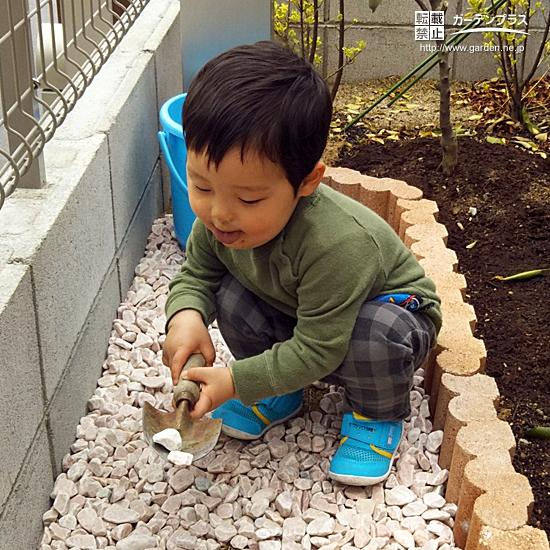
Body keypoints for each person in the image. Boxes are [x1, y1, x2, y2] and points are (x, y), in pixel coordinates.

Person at [162, 40, 442, 486]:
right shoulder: (221, 225)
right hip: (309, 310)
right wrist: (185, 316)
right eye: (202, 185)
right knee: (229, 295)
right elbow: (196, 275)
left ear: (307, 180)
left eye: (249, 197)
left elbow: (319, 348)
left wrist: (233, 381)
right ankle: (281, 391)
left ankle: (376, 416)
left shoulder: (337, 244)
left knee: (374, 335)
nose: (219, 213)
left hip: (393, 312)